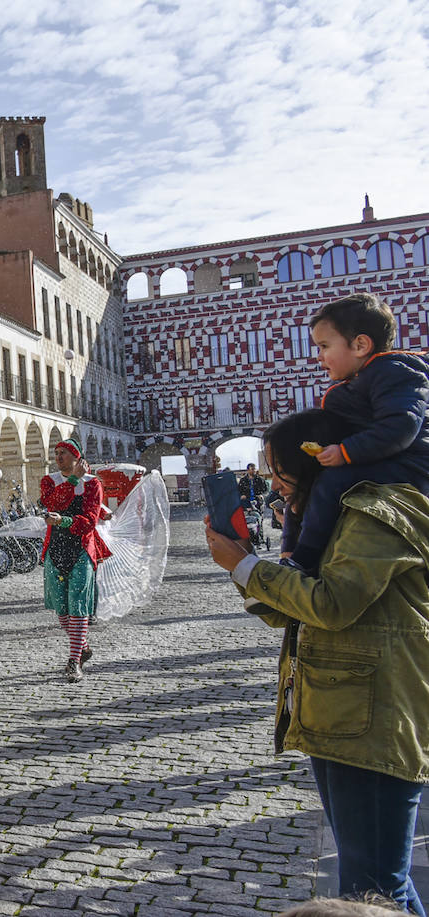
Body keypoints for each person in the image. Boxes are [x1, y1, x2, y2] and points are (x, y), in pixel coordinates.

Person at [205, 408, 429, 915]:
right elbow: (296, 612)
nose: (274, 484)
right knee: (374, 879)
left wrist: (245, 566)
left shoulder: (377, 512)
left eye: (279, 470)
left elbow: (331, 604)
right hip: (344, 712)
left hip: (374, 719)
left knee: (373, 886)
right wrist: (242, 563)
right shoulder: (335, 516)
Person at [289, 292, 429, 571]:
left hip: (411, 467)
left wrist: (346, 452)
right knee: (311, 488)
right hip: (391, 462)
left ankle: (305, 560)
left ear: (360, 345)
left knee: (331, 484)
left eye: (324, 346)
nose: (319, 357)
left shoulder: (394, 373)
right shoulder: (368, 378)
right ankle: (293, 552)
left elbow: (399, 427)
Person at [40, 438, 110, 683]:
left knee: (78, 604)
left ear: (77, 457)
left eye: (64, 453)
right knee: (61, 610)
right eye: (56, 453)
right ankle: (83, 646)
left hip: (81, 549)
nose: (58, 457)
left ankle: (73, 661)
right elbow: (51, 503)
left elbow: (90, 520)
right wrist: (71, 481)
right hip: (55, 549)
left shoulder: (93, 485)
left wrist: (64, 521)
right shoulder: (50, 481)